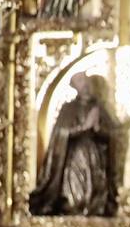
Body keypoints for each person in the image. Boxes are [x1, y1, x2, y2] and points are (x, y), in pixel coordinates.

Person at [28, 72, 115, 217]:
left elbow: (110, 136)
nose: (85, 84)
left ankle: (94, 208)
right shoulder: (68, 108)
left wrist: (98, 129)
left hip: (95, 158)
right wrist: (84, 127)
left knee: (95, 195)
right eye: (80, 81)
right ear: (75, 86)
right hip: (73, 158)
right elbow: (60, 133)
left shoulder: (99, 108)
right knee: (74, 197)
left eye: (86, 80)